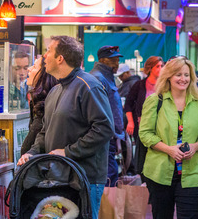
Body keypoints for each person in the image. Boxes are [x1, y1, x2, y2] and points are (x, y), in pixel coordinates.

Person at [18, 36, 114, 219]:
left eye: (48, 51)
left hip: (86, 178)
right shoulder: (56, 90)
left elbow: (104, 128)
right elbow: (45, 130)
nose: (44, 56)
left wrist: (68, 152)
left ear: (60, 58)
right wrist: (32, 153)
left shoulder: (89, 86)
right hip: (59, 177)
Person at [139, 57, 198, 219]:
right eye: (178, 74)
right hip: (159, 173)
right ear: (169, 77)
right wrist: (169, 149)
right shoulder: (155, 101)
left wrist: (195, 147)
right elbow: (145, 133)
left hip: (192, 174)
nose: (183, 79)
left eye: (187, 75)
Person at [90, 45, 126, 186]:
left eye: (117, 60)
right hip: (105, 136)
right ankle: (106, 208)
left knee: (111, 174)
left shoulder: (106, 77)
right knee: (108, 175)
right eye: (113, 60)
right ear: (103, 60)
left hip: (110, 135)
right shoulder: (98, 78)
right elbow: (97, 110)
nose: (117, 63)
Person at [124, 56, 164, 176]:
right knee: (142, 153)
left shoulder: (165, 85)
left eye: (162, 66)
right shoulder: (140, 85)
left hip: (161, 126)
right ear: (150, 68)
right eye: (158, 66)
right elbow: (128, 104)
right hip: (142, 125)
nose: (161, 69)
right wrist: (130, 122)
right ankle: (143, 177)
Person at [20, 55, 58, 155]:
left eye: (34, 67)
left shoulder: (47, 105)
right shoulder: (37, 103)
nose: (29, 69)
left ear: (44, 75)